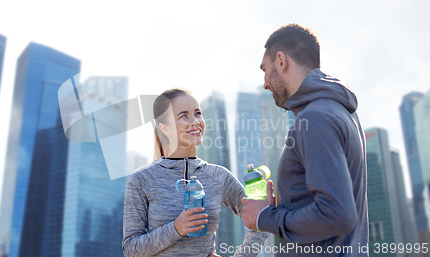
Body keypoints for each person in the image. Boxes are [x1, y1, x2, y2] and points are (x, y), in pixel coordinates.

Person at [241, 24, 368, 256]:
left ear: (281, 60)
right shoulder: (340, 111)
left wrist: (265, 217)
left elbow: (337, 214)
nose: (265, 83)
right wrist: (282, 205)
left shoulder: (316, 118)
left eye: (265, 69)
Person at [122, 88, 269, 257]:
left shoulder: (219, 176)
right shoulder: (142, 179)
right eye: (184, 116)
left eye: (198, 113)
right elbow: (130, 249)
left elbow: (262, 219)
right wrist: (176, 228)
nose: (195, 121)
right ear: (164, 128)